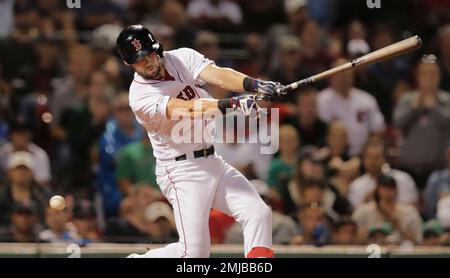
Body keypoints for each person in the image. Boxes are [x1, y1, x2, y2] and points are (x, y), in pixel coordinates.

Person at [117, 25, 285, 258]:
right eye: (139, 59)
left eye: (149, 53)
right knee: (194, 254)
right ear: (129, 64)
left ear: (158, 48)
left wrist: (256, 85)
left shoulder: (182, 57)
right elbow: (189, 109)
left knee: (258, 213)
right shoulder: (140, 96)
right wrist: (235, 104)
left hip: (212, 160)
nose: (147, 62)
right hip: (181, 171)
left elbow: (219, 75)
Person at [393, 54, 450, 189]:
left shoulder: (447, 100)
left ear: (439, 76)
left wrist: (433, 107)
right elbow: (398, 124)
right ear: (418, 76)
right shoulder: (407, 99)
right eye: (424, 74)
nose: (428, 78)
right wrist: (415, 107)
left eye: (433, 73)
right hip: (408, 169)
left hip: (438, 170)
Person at [317, 58, 386, 156]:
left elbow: (378, 130)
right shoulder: (322, 100)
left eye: (346, 73)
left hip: (362, 156)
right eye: (339, 73)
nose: (343, 78)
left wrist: (366, 155)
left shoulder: (366, 100)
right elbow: (321, 132)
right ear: (332, 75)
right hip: (332, 155)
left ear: (352, 75)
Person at [352, 175, 423, 245]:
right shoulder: (362, 211)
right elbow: (351, 240)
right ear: (377, 190)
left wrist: (399, 227)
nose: (388, 191)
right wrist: (371, 229)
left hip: (400, 252)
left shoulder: (409, 212)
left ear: (396, 190)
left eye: (391, 187)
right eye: (384, 187)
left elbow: (418, 242)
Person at [348, 139, 418, 209]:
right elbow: (356, 215)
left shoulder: (403, 179)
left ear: (385, 158)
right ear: (363, 159)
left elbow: (412, 210)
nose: (372, 162)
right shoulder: (356, 186)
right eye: (368, 157)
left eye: (377, 157)